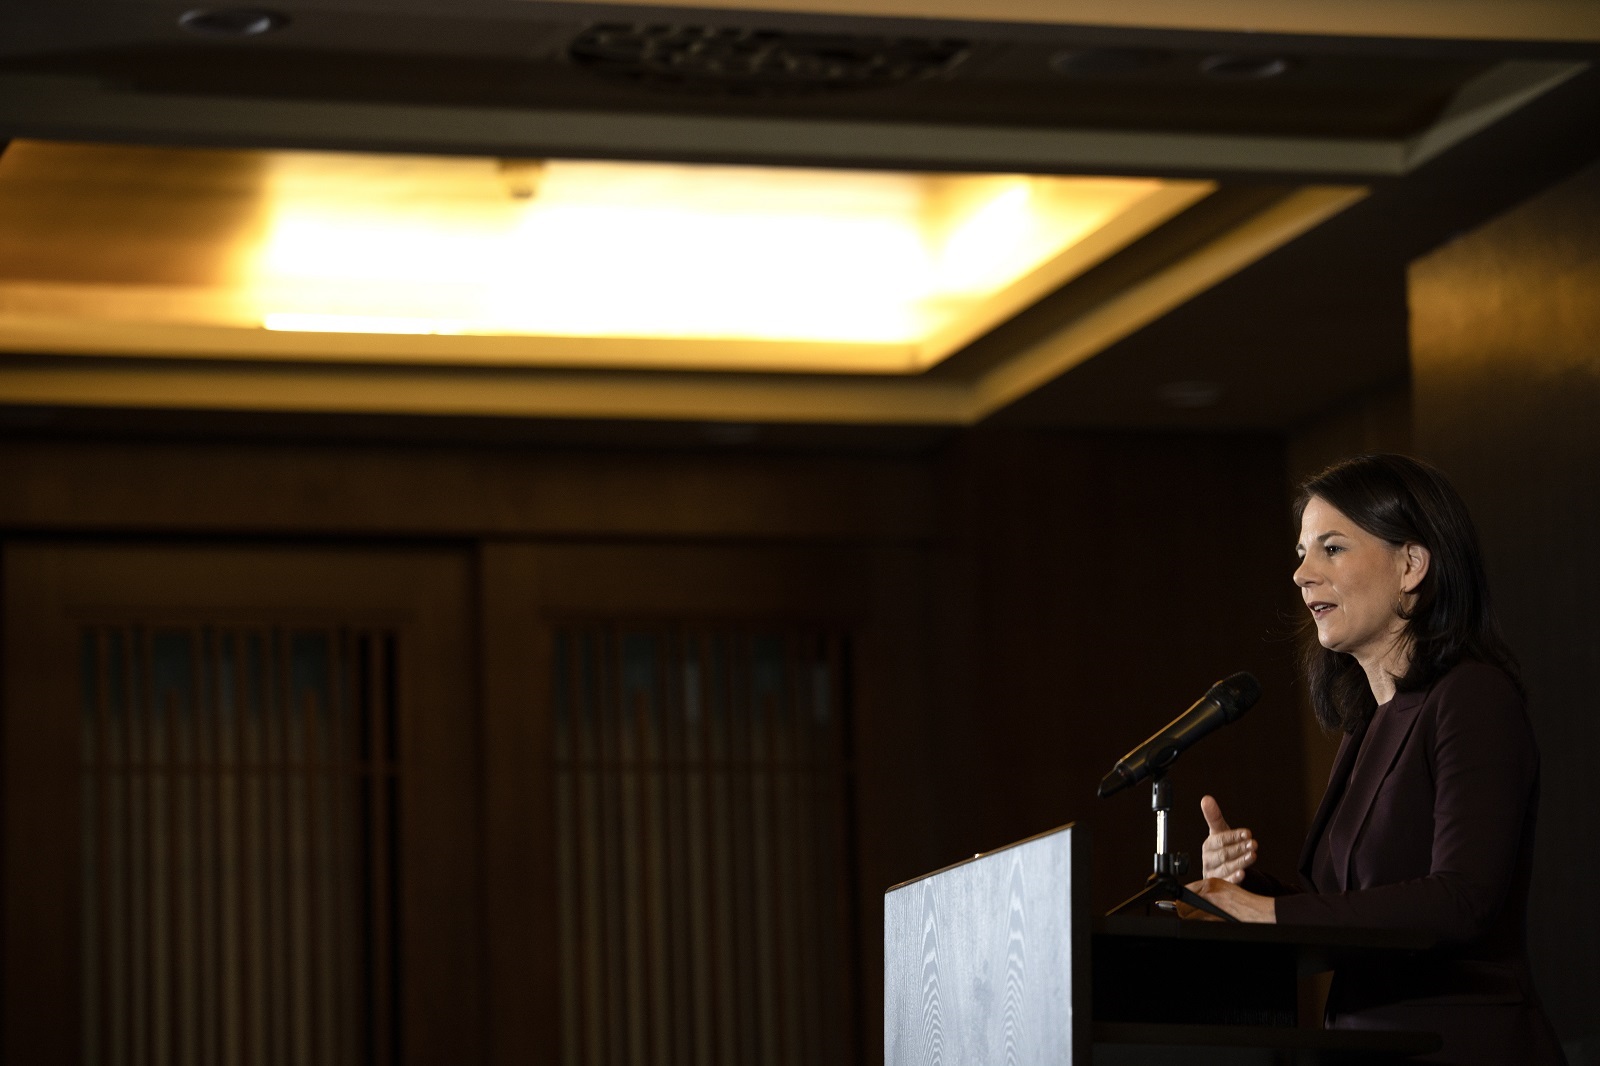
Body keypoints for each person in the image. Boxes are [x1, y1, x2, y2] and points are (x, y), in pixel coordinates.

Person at [1183, 454, 1565, 1065]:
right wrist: (1242, 889)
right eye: (1303, 551)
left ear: (1411, 565)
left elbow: (1463, 899)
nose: (1302, 574)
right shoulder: (1368, 725)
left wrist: (1268, 914)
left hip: (1460, 1048)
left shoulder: (1473, 696)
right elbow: (1345, 904)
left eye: (1331, 548)